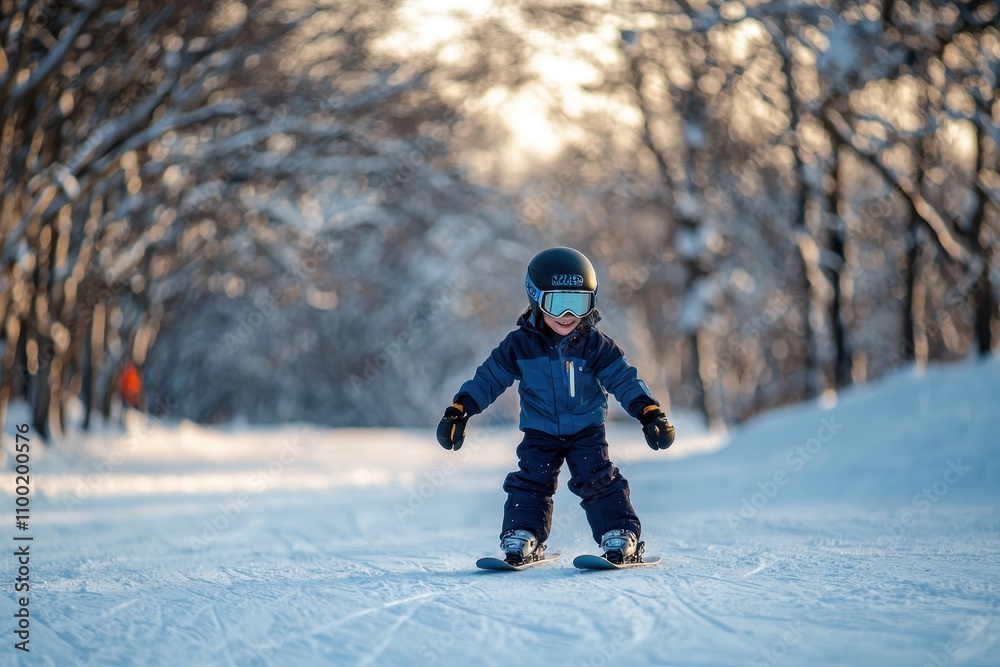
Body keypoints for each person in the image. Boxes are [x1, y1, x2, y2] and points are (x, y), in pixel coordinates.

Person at [436, 247, 675, 565]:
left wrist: (649, 412)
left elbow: (624, 379)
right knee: (531, 480)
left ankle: (620, 534)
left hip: (586, 430)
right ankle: (523, 534)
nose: (567, 315)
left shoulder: (595, 345)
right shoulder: (520, 345)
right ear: (536, 300)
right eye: (556, 303)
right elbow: (488, 379)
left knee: (597, 479)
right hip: (540, 431)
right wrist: (460, 410)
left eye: (577, 304)